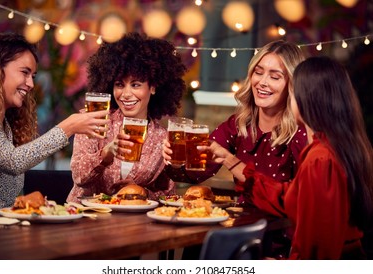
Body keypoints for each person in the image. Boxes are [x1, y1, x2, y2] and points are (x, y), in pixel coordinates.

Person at [206, 56, 373, 259]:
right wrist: (229, 160)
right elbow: (291, 198)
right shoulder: (337, 147)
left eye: (292, 94)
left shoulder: (320, 158)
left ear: (307, 99)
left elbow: (318, 248)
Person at [162, 40, 307, 259]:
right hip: (241, 230)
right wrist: (175, 161)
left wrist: (231, 161)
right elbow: (196, 173)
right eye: (258, 72)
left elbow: (302, 203)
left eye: (275, 76)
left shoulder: (301, 133)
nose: (262, 82)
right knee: (196, 245)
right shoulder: (238, 124)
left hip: (281, 241)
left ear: (292, 85)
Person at [0, 32, 110, 214]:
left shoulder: (5, 124)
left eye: (33, 76)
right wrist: (69, 127)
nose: (31, 84)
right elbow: (13, 161)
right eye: (25, 72)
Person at [67, 32, 187, 202]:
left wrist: (143, 193)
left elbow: (168, 194)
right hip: (86, 217)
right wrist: (105, 155)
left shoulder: (163, 138)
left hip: (133, 223)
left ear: (152, 87)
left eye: (136, 85)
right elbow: (79, 177)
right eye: (119, 85)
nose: (126, 94)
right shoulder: (93, 121)